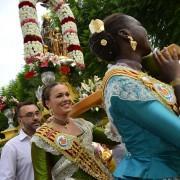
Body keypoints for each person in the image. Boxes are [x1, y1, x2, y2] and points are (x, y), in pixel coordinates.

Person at [89, 13, 180, 179]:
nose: (144, 30)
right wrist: (176, 79)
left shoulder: (135, 75)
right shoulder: (122, 83)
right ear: (126, 34)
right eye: (139, 24)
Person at [31, 82, 117, 180]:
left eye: (67, 94)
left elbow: (114, 138)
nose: (66, 99)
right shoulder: (41, 138)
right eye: (59, 96)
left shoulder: (83, 124)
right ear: (47, 103)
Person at [0, 101, 41, 180]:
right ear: (20, 120)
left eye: (37, 113)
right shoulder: (11, 147)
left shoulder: (48, 138)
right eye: (29, 115)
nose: (35, 118)